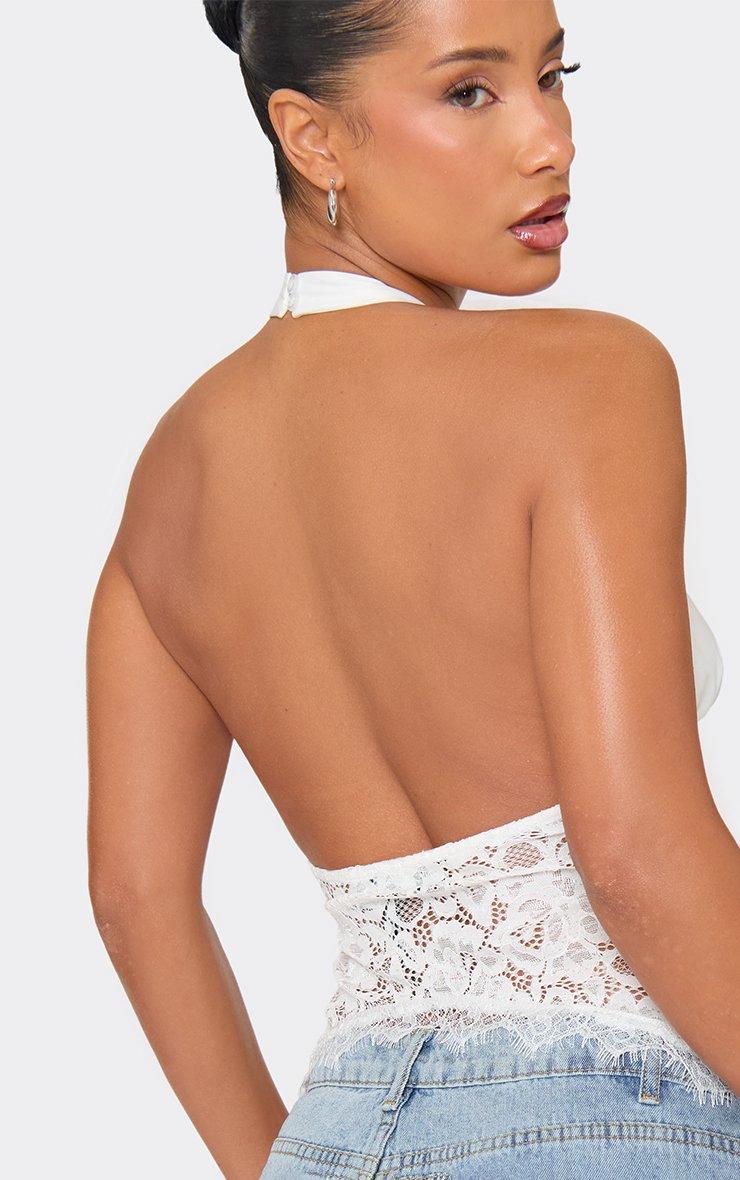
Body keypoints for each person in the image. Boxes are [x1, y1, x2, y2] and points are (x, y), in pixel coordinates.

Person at [85, 1, 740, 1176]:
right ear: (311, 139)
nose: (550, 140)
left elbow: (135, 896)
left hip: (333, 1139)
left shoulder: (169, 475)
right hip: (619, 1120)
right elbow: (634, 850)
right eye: (469, 92)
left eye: (555, 76)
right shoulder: (587, 377)